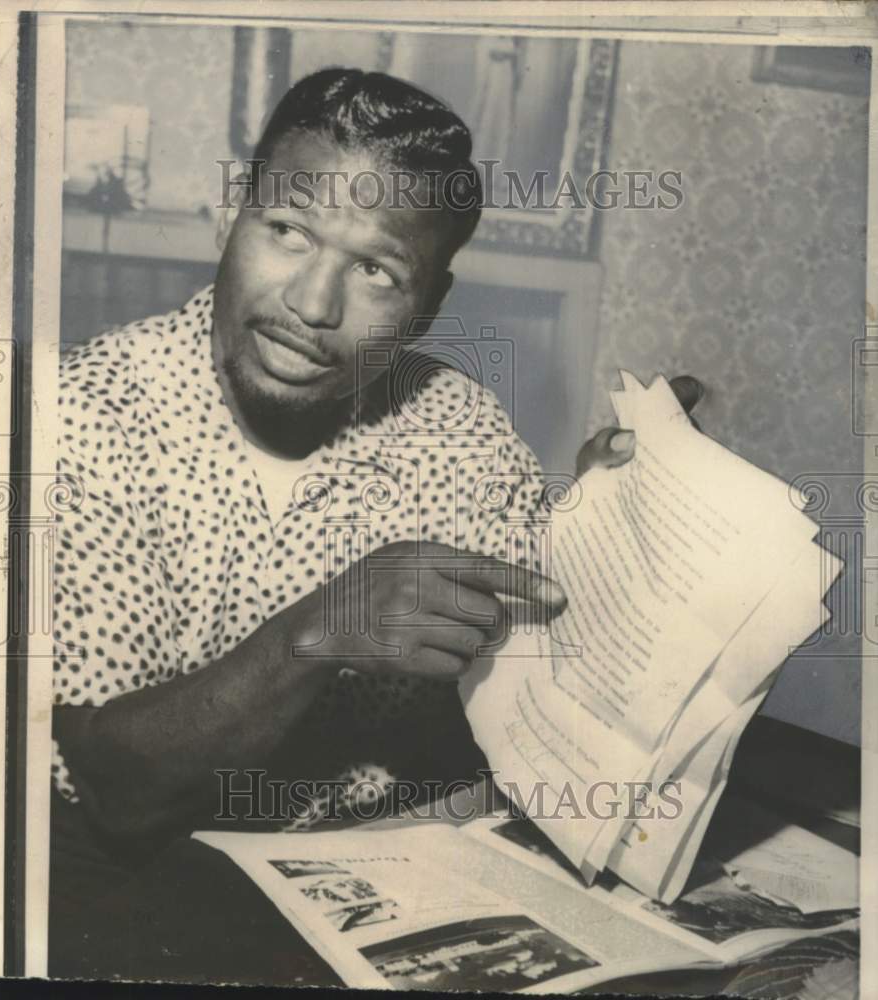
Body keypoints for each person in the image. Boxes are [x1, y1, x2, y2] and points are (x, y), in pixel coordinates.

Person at [50, 69, 702, 877]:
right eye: (288, 229)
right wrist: (317, 634)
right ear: (230, 214)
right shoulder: (83, 417)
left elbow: (545, 680)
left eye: (376, 272)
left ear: (427, 306)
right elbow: (114, 790)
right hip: (161, 901)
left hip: (406, 870)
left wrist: (615, 526)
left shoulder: (457, 424)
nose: (313, 304)